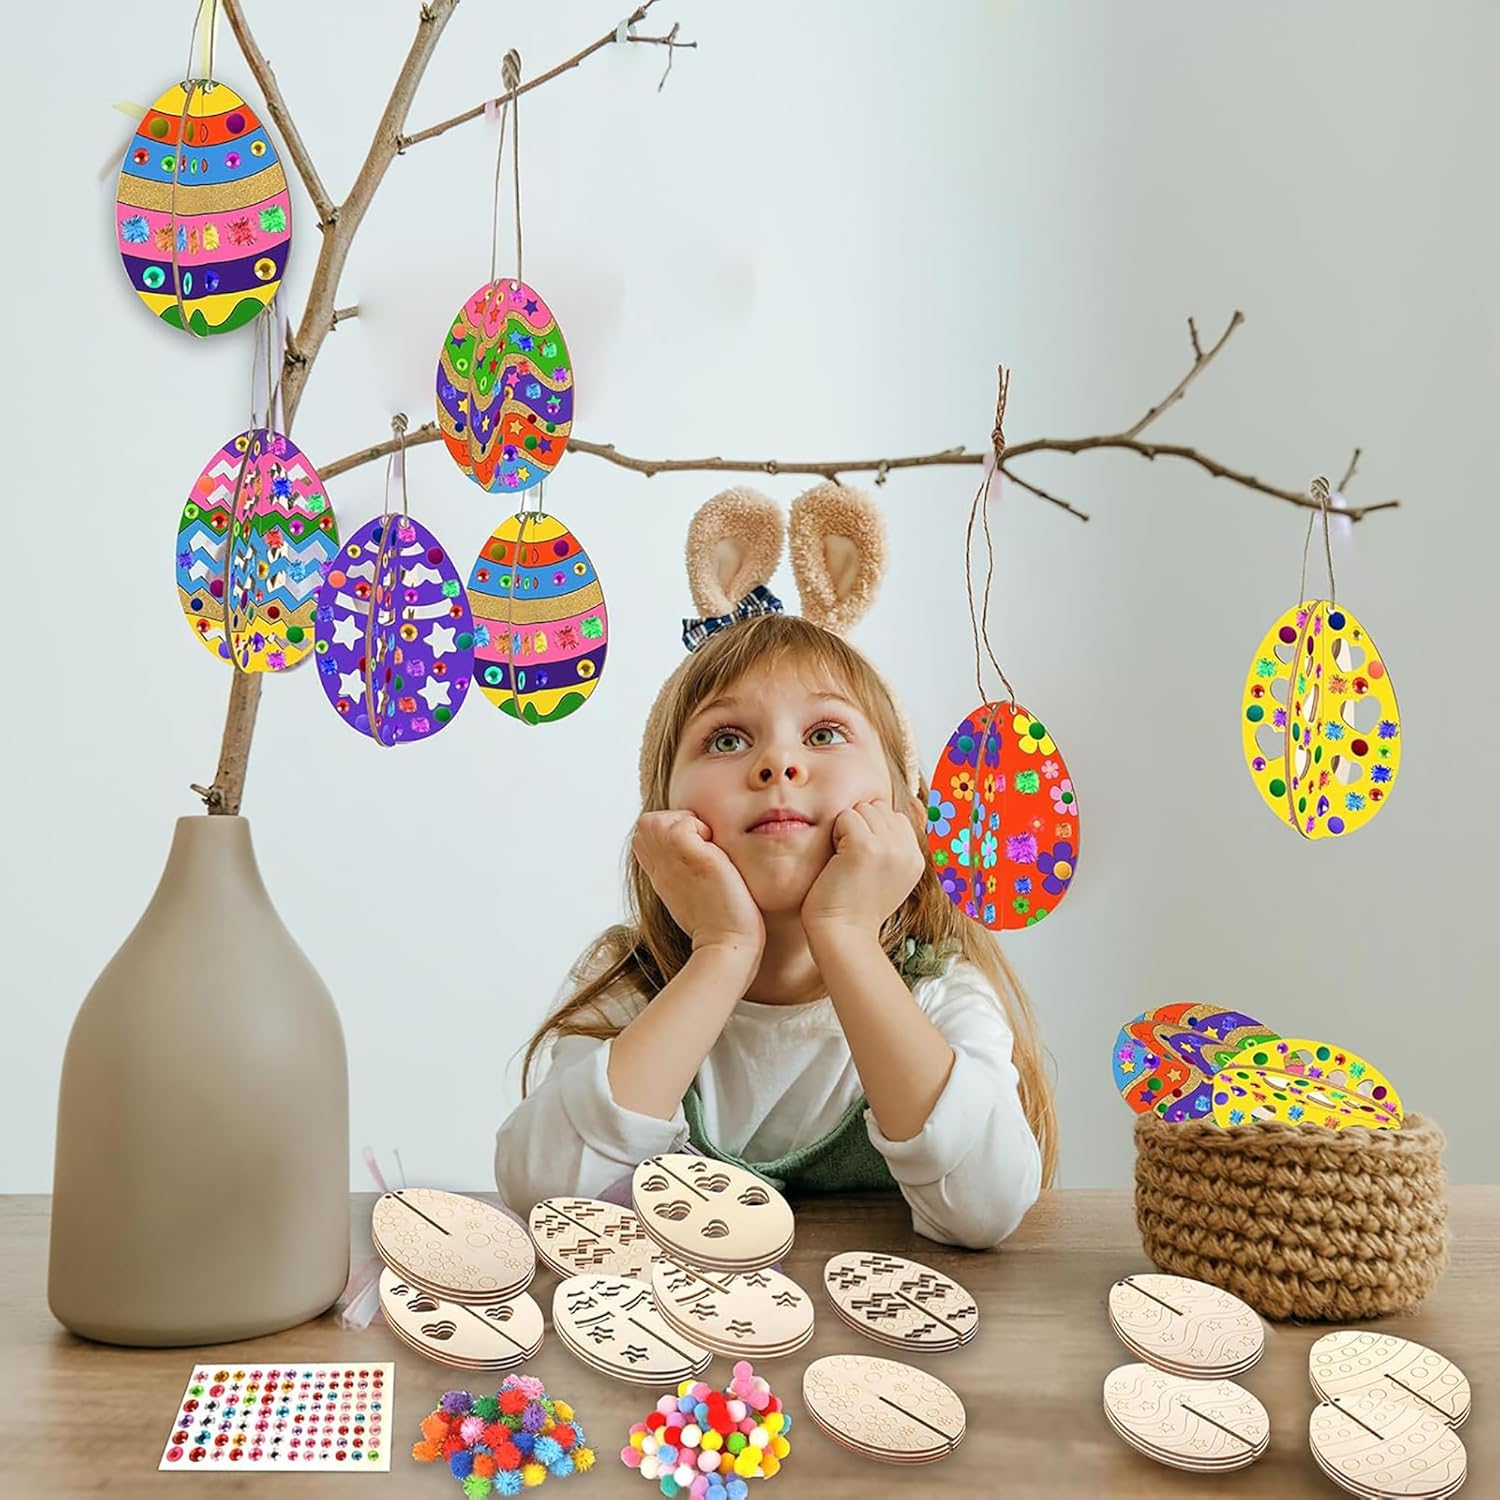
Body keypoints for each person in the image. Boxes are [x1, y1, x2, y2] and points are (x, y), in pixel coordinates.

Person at [495, 485, 1056, 1248]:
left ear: (904, 809)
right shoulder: (634, 986)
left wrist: (847, 936)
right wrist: (723, 953)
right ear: (663, 817)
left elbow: (986, 1208)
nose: (779, 763)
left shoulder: (938, 992)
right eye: (727, 741)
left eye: (825, 733)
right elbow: (550, 1196)